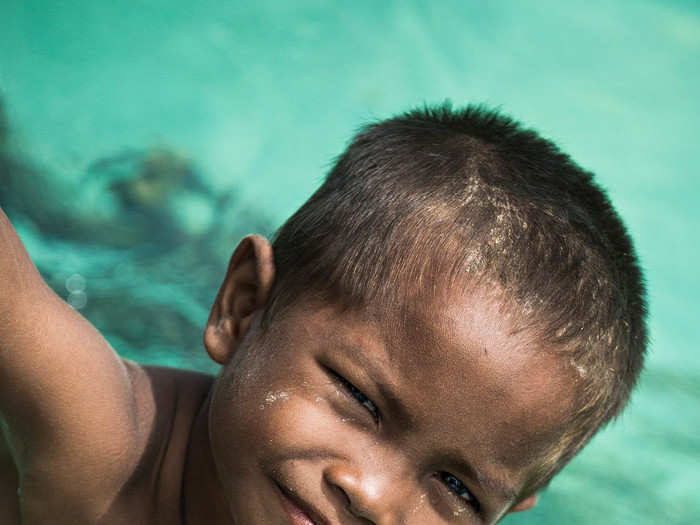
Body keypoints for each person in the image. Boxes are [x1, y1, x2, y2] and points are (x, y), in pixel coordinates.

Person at [0, 103, 647, 524]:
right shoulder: (93, 432)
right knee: (75, 231)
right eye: (360, 399)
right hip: (127, 297)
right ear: (242, 307)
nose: (372, 494)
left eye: (458, 487)